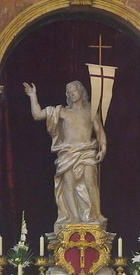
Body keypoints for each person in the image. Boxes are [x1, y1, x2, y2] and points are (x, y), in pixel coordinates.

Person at [24, 79, 106, 227]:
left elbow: (100, 132)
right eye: (68, 92)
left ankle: (97, 214)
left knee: (91, 183)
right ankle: (75, 218)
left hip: (87, 151)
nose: (71, 94)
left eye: (73, 90)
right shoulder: (62, 111)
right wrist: (32, 96)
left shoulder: (91, 112)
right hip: (67, 153)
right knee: (69, 185)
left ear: (81, 92)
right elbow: (37, 115)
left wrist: (103, 148)